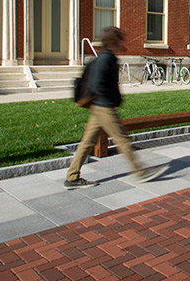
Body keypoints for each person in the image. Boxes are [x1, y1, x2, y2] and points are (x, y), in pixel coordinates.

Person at [65, 27, 166, 189]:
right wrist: (112, 100)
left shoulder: (105, 57)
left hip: (98, 107)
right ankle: (141, 172)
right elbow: (98, 85)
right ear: (115, 41)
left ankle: (72, 177)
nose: (123, 42)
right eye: (121, 39)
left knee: (87, 142)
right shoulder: (106, 59)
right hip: (104, 106)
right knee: (122, 139)